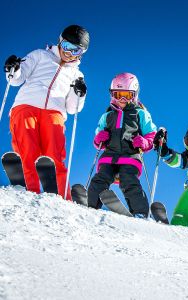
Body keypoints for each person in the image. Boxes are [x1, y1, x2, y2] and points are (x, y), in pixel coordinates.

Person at [3, 24, 89, 200]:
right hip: (26, 105)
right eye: (67, 47)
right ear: (60, 41)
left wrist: (78, 92)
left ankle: (62, 196)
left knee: (54, 154)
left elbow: (73, 108)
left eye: (76, 51)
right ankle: (30, 188)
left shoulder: (77, 74)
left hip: (54, 112)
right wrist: (14, 68)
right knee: (28, 148)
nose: (69, 53)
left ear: (81, 54)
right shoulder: (40, 55)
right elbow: (16, 79)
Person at [87, 72, 157, 218]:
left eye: (128, 95)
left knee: (129, 181)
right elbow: (97, 138)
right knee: (100, 178)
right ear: (112, 94)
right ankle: (89, 203)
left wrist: (144, 142)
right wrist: (99, 138)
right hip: (109, 156)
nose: (123, 99)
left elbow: (152, 135)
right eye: (118, 95)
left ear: (135, 95)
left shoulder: (140, 113)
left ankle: (140, 212)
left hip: (130, 156)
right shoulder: (107, 116)